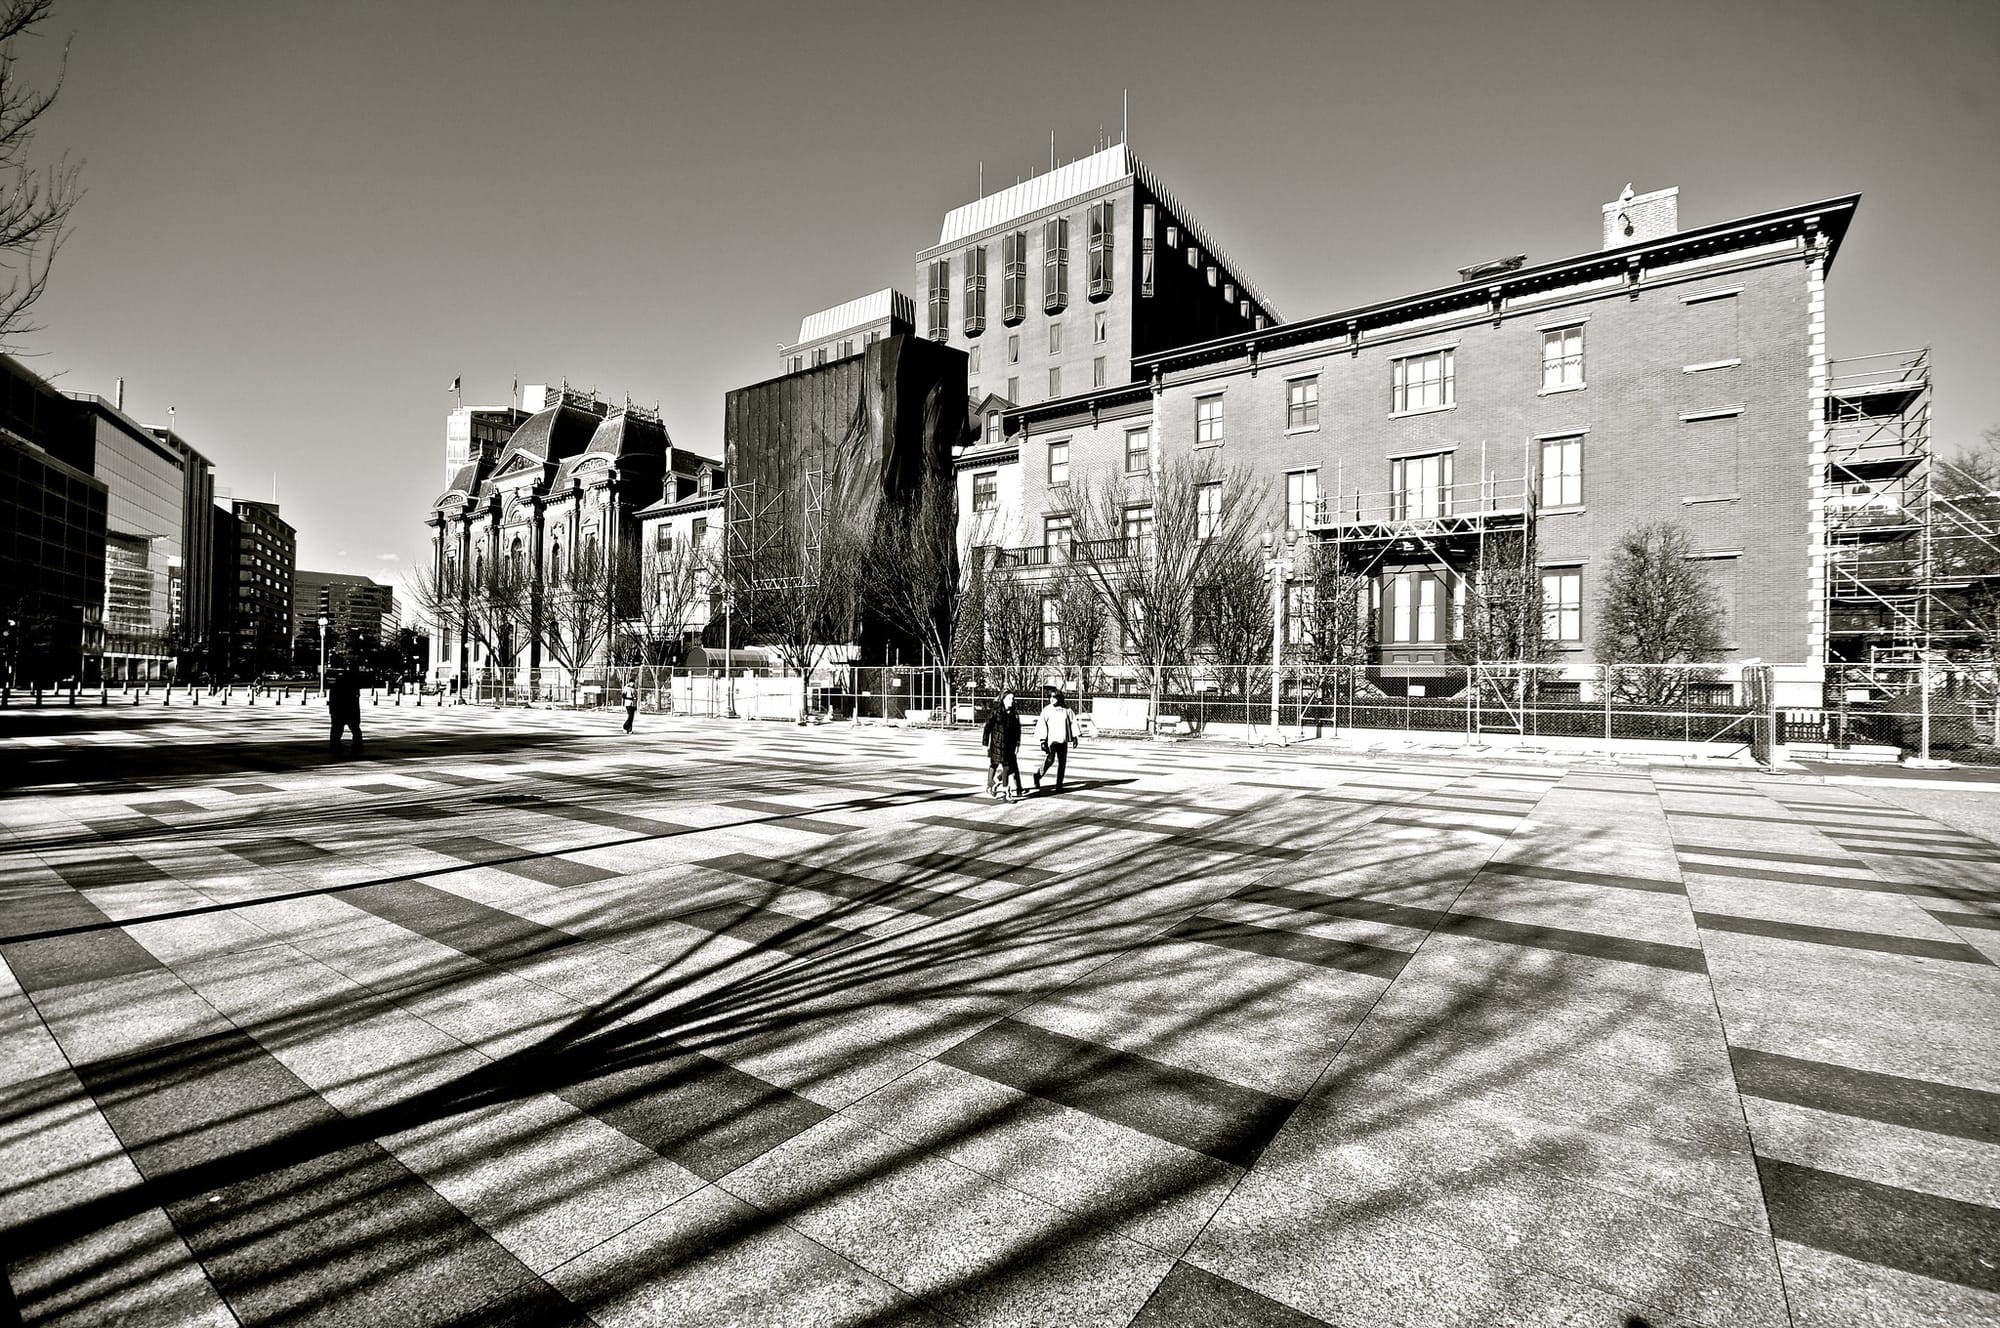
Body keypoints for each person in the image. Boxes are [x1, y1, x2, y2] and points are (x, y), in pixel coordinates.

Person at [1033, 688, 1080, 792]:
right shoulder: (1047, 710)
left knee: (1062, 763)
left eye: (1054, 697)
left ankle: (1059, 785)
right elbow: (1042, 725)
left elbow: (1073, 722)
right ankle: (1038, 775)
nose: (1051, 699)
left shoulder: (1067, 710)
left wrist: (1075, 737)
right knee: (1050, 760)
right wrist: (1042, 741)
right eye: (1050, 697)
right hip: (1051, 741)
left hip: (1063, 740)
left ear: (1059, 698)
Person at [980, 690, 1024, 801]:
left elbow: (1017, 730)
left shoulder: (1014, 714)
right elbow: (987, 728)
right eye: (1009, 698)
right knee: (994, 763)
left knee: (1007, 766)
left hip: (1010, 744)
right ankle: (990, 784)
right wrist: (985, 743)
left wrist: (1017, 744)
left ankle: (1005, 790)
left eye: (1013, 699)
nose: (1012, 701)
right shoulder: (996, 711)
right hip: (997, 743)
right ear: (1003, 699)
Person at [328, 668, 364, 751]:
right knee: (354, 728)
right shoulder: (352, 688)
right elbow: (355, 700)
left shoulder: (336, 687)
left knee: (337, 729)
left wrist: (332, 711)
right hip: (348, 710)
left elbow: (332, 699)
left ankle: (335, 744)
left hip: (339, 711)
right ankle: (357, 744)